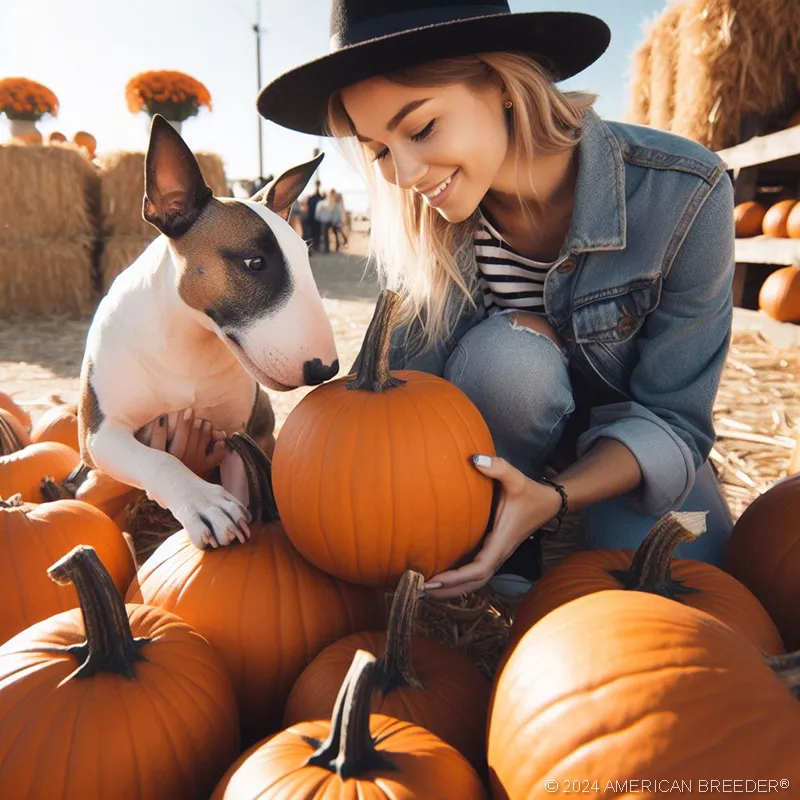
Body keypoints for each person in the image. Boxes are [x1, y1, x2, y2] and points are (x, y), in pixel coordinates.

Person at [258, 0, 737, 600]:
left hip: (632, 448)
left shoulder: (685, 194)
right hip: (495, 460)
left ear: (503, 83)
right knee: (512, 361)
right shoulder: (428, 233)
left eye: (422, 128)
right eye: (379, 150)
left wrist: (556, 498)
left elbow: (675, 418)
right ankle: (506, 523)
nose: (403, 175)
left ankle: (539, 507)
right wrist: (239, 442)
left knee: (682, 596)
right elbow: (377, 409)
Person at [306, 179, 324, 251]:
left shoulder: (316, 198)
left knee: (315, 232)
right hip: (314, 218)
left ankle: (314, 246)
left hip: (315, 218)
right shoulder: (318, 198)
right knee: (315, 232)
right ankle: (314, 246)